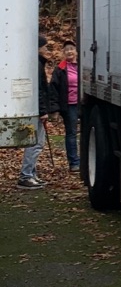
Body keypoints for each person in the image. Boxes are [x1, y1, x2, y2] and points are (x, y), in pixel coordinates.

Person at [17, 35, 52, 189]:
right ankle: (26, 175)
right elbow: (38, 90)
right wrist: (43, 111)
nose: (47, 49)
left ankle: (31, 173)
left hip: (36, 109)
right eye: (44, 46)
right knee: (36, 144)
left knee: (36, 143)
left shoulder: (36, 63)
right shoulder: (36, 65)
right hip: (37, 110)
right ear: (38, 48)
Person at [49, 39, 80, 173]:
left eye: (71, 49)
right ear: (63, 53)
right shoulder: (60, 69)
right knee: (71, 133)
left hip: (82, 103)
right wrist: (54, 109)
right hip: (69, 105)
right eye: (66, 50)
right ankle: (74, 162)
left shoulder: (82, 66)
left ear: (76, 51)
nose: (69, 52)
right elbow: (53, 89)